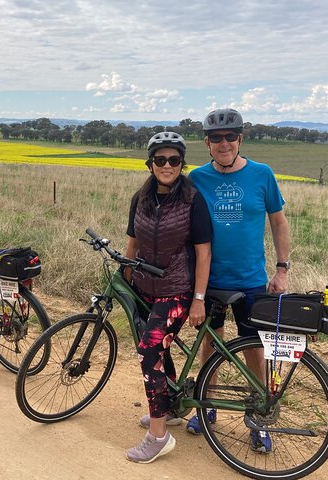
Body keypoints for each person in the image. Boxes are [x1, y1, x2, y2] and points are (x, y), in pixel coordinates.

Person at [187, 108, 290, 454]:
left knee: (253, 348)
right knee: (210, 345)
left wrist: (282, 268)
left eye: (231, 137)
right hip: (211, 280)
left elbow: (278, 222)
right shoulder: (197, 178)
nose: (224, 143)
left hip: (250, 280)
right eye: (216, 138)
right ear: (207, 143)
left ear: (240, 140)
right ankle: (207, 406)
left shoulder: (262, 175)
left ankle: (257, 415)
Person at [124, 131, 212, 463]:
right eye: (160, 160)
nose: (167, 165)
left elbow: (204, 254)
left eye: (174, 160)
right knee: (159, 347)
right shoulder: (141, 198)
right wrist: (128, 276)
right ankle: (171, 407)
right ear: (150, 164)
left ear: (181, 164)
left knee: (149, 353)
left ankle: (158, 436)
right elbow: (133, 242)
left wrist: (198, 299)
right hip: (147, 287)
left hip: (178, 291)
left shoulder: (193, 200)